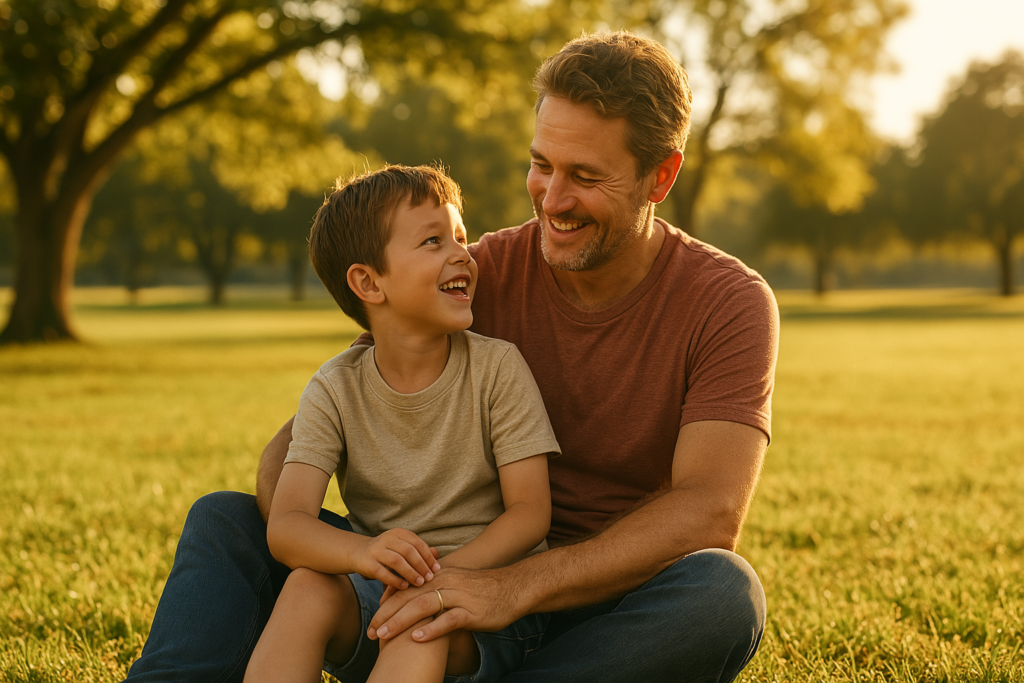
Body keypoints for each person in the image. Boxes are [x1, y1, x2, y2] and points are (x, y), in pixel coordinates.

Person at [125, 30, 778, 683]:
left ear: (660, 175)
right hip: (427, 585)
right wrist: (375, 562)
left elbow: (709, 510)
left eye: (584, 176)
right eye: (542, 164)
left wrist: (509, 587)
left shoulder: (728, 302)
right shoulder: (477, 274)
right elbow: (299, 443)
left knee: (723, 593)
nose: (552, 199)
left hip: (600, 606)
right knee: (225, 518)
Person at [241, 164, 560, 683]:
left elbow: (530, 514)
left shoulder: (498, 368)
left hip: (490, 603)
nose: (462, 252)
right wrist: (364, 553)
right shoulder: (335, 387)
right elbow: (287, 525)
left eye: (460, 235)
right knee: (305, 587)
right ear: (369, 282)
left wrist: (438, 582)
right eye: (433, 241)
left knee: (421, 627)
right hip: (384, 591)